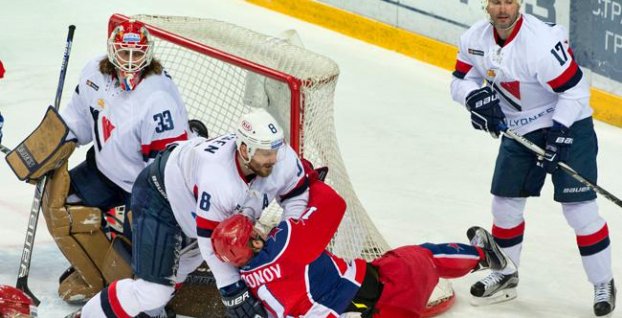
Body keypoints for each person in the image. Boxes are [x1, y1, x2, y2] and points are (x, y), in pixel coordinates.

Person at [5, 19, 190, 303]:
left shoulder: (159, 98)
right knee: (57, 202)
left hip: (146, 186)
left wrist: (140, 209)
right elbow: (77, 118)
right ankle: (95, 271)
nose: (129, 61)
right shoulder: (94, 73)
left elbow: (165, 170)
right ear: (111, 51)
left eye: (137, 53)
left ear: (148, 54)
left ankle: (129, 289)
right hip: (103, 171)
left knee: (140, 246)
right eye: (124, 53)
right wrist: (53, 145)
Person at [449, 0, 615, 316]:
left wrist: (561, 133)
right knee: (505, 205)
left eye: (509, 1)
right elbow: (460, 80)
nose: (502, 9)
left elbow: (576, 91)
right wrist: (473, 97)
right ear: (486, 4)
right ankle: (507, 272)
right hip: (519, 128)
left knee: (580, 212)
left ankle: (603, 282)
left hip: (570, 121)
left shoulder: (539, 44)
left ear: (519, 4)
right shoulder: (474, 39)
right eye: (496, 1)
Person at [78, 108, 310, 318]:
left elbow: (297, 196)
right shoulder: (219, 178)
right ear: (244, 150)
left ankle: (149, 315)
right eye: (265, 153)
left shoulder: (283, 159)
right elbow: (210, 243)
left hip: (196, 199)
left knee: (185, 264)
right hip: (160, 195)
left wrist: (289, 246)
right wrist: (232, 289)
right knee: (154, 290)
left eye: (276, 148)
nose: (274, 158)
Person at [210, 176, 516, 318]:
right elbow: (332, 204)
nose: (260, 229)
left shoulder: (247, 281)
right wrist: (308, 180)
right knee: (419, 257)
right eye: (254, 233)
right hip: (390, 294)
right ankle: (484, 255)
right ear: (254, 242)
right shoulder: (283, 246)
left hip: (363, 311)